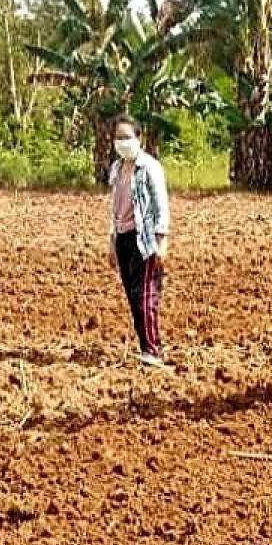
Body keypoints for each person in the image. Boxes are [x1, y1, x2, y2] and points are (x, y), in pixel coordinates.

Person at [108, 115, 171, 367]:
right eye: (118, 138)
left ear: (139, 138)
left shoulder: (150, 167)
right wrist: (112, 243)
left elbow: (161, 206)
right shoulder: (117, 168)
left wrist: (161, 241)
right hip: (123, 238)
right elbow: (115, 209)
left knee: (145, 293)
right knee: (132, 296)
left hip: (144, 240)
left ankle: (152, 349)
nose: (122, 142)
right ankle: (145, 346)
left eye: (127, 137)